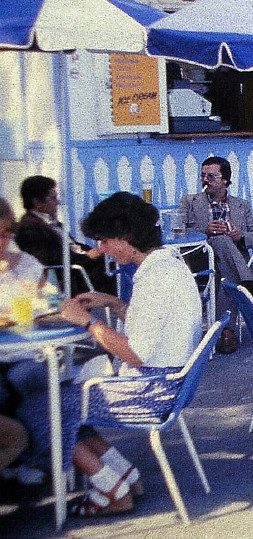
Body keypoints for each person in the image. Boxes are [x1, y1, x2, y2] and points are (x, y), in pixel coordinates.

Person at [58, 191, 203, 517]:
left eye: (105, 240)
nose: (100, 249)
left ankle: (112, 489)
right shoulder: (170, 264)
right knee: (66, 398)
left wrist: (88, 323)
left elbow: (135, 352)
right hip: (171, 381)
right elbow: (157, 326)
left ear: (124, 237)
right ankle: (122, 475)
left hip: (150, 391)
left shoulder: (154, 279)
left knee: (48, 406)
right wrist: (113, 303)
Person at [179, 156, 253, 354]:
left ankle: (226, 331)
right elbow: (178, 231)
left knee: (224, 268)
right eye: (202, 176)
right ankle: (250, 285)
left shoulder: (241, 205)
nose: (205, 180)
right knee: (218, 239)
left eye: (211, 176)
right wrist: (205, 230)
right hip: (200, 259)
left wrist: (240, 235)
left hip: (227, 264)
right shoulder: (189, 202)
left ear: (225, 180)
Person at [0, 197, 47, 486]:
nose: (4, 240)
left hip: (23, 350)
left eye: (7, 233)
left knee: (30, 376)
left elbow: (48, 301)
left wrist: (43, 301)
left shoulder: (27, 263)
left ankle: (28, 457)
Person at [15, 176, 115, 295]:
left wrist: (95, 251)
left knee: (119, 263)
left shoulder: (52, 223)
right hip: (71, 274)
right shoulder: (28, 227)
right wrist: (87, 257)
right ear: (37, 202)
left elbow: (73, 246)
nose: (57, 202)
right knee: (119, 274)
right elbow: (47, 259)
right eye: (53, 198)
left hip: (81, 267)